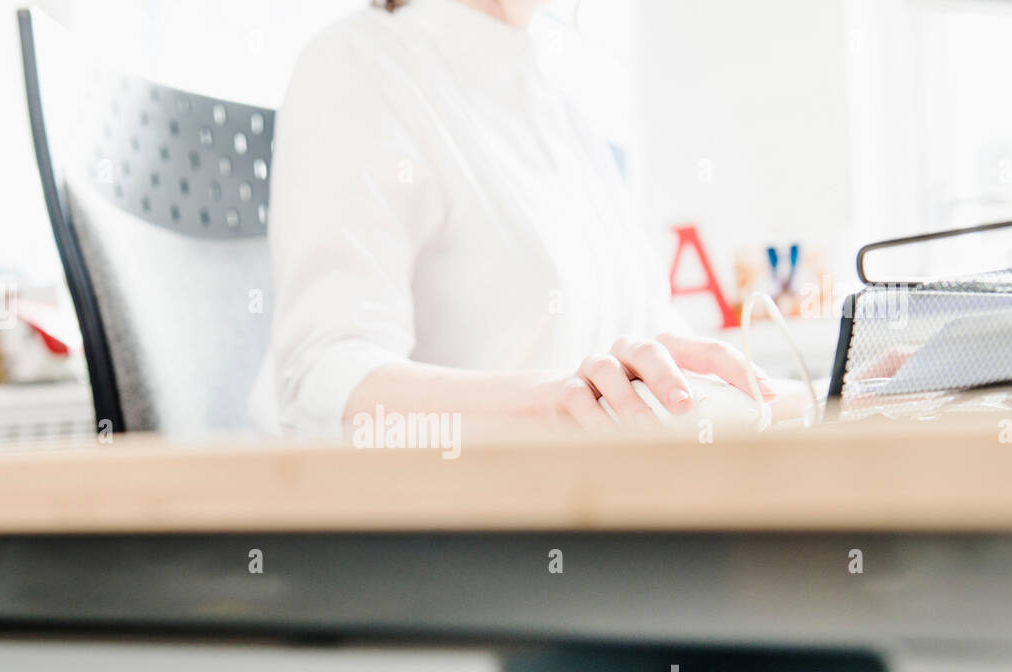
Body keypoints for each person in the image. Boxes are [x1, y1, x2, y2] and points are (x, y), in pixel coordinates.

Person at [254, 0, 780, 437]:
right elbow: (322, 383)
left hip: (608, 510)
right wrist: (558, 402)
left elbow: (647, 331)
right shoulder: (358, 65)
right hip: (469, 535)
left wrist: (798, 394)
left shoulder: (559, 97)